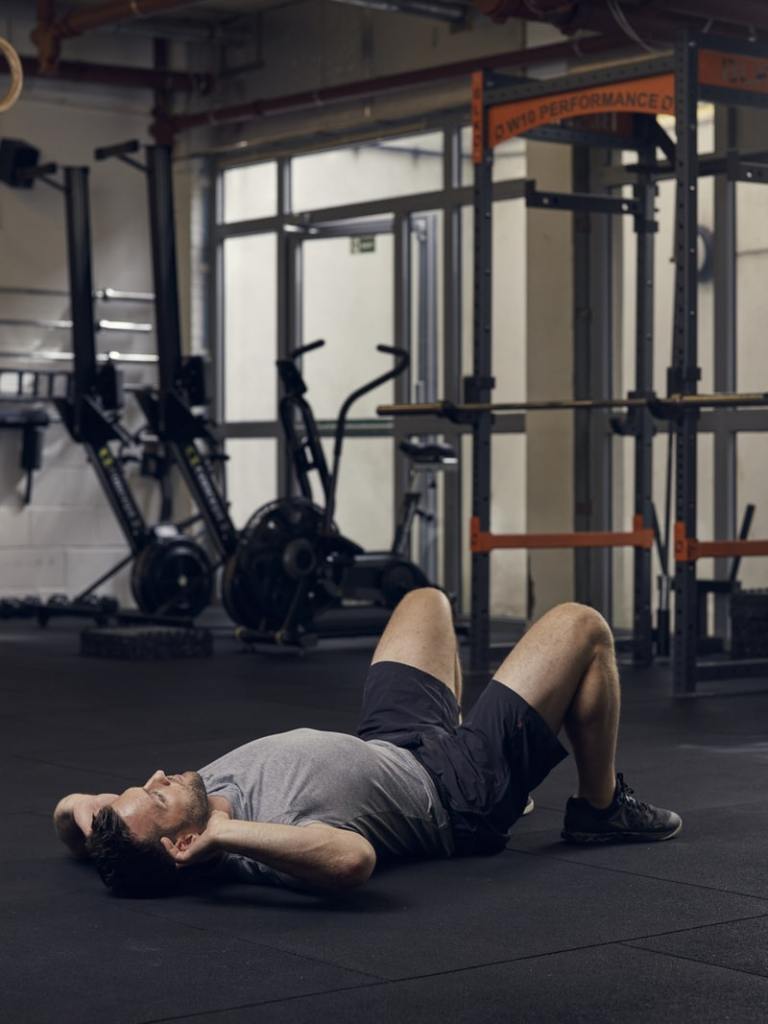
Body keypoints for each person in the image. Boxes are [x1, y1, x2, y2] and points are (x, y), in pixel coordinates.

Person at [53, 589, 681, 897]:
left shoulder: (150, 820)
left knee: (425, 602)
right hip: (457, 792)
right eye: (158, 798)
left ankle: (502, 760)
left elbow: (67, 810)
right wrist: (223, 834)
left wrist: (92, 812)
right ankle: (600, 809)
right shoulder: (261, 845)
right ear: (186, 843)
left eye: (148, 783)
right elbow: (353, 862)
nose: (160, 776)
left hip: (394, 739)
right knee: (583, 627)